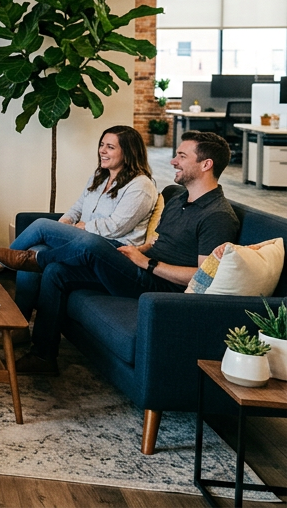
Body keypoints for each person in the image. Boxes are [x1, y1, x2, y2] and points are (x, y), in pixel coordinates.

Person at [16, 131, 240, 375]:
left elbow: (203, 276)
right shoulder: (178, 198)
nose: (173, 161)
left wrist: (148, 263)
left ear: (206, 164)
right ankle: (42, 356)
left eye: (181, 156)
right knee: (57, 272)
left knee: (91, 244)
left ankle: (35, 259)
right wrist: (138, 250)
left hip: (161, 290)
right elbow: (159, 241)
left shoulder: (217, 216)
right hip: (142, 269)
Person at [0, 125, 157, 277]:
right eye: (102, 145)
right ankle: (21, 309)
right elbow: (79, 206)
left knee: (41, 225)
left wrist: (83, 227)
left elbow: (116, 227)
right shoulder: (99, 177)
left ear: (129, 152)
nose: (102, 151)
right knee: (36, 251)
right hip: (85, 237)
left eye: (110, 147)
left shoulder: (140, 186)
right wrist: (65, 221)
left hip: (112, 247)